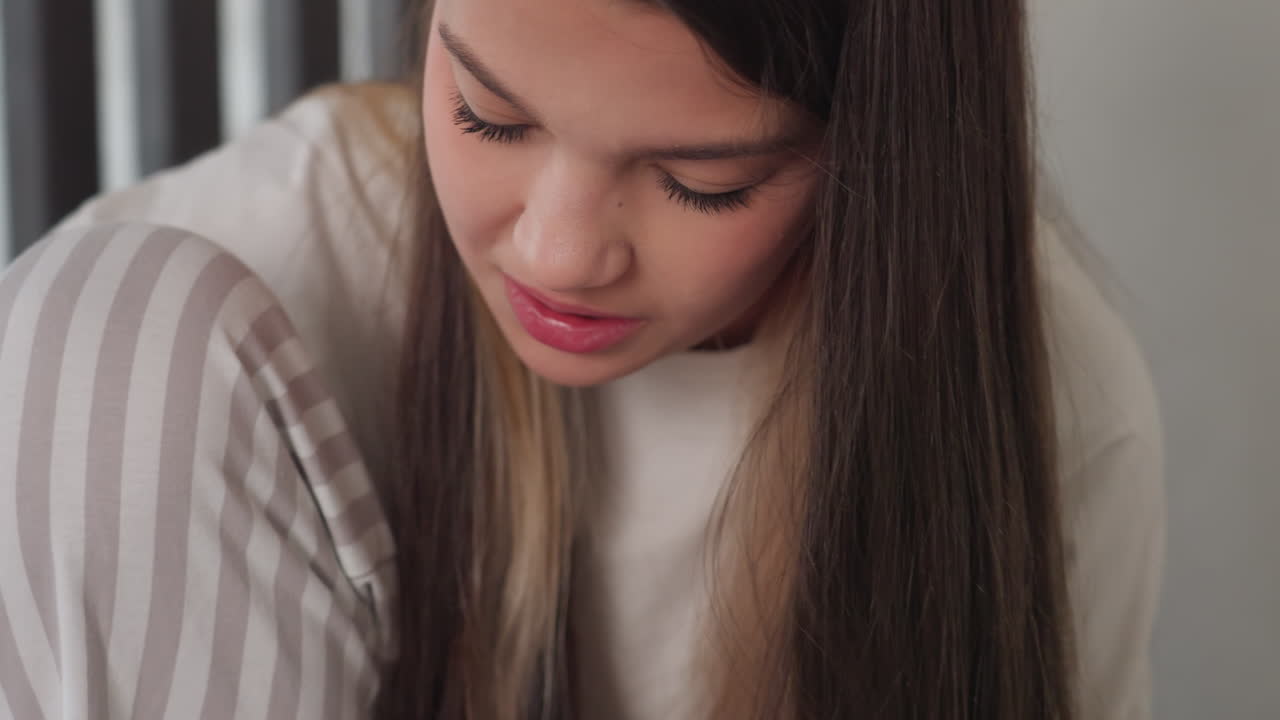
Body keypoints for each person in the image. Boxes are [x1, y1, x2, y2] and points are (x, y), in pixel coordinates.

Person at [0, 0, 1165, 718]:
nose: (555, 255)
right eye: (489, 116)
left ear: (876, 153)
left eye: (700, 182)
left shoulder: (1050, 403)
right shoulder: (281, 251)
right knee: (100, 324)